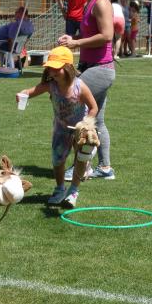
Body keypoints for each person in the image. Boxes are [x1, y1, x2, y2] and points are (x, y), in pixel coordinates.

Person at [16, 46, 98, 208]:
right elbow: (30, 91)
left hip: (79, 131)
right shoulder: (51, 86)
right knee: (57, 160)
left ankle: (74, 190)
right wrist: (22, 94)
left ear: (68, 68)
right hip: (60, 129)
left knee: (80, 158)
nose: (52, 72)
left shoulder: (79, 86)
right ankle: (60, 188)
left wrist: (87, 125)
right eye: (50, 69)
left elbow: (94, 107)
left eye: (56, 69)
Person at [58, 0, 117, 180]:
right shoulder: (89, 3)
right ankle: (105, 168)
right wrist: (71, 38)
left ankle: (82, 167)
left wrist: (76, 43)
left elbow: (107, 35)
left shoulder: (101, 3)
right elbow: (90, 35)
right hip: (93, 68)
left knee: (76, 112)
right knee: (97, 119)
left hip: (100, 69)